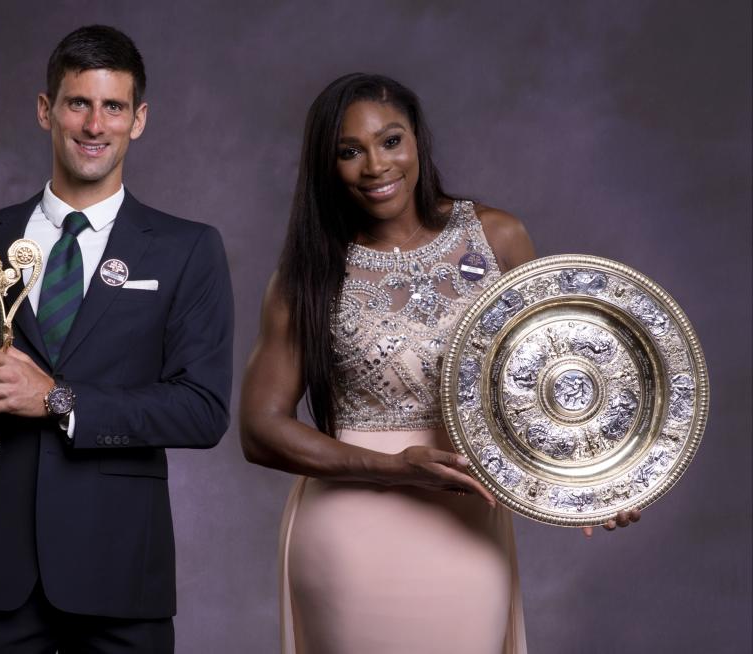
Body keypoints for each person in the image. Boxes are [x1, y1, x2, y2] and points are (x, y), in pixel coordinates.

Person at [0, 25, 233, 653]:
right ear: (45, 110)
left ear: (138, 120)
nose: (94, 124)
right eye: (77, 103)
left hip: (119, 576)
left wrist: (61, 398)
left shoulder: (188, 249)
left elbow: (203, 410)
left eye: (113, 106)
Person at [239, 73, 639, 653]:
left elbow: (555, 374)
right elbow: (260, 429)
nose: (376, 166)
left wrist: (596, 481)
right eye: (349, 152)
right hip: (350, 537)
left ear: (418, 142)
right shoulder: (308, 273)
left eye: (391, 141)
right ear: (327, 167)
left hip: (465, 528)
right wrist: (392, 468)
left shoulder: (497, 237)